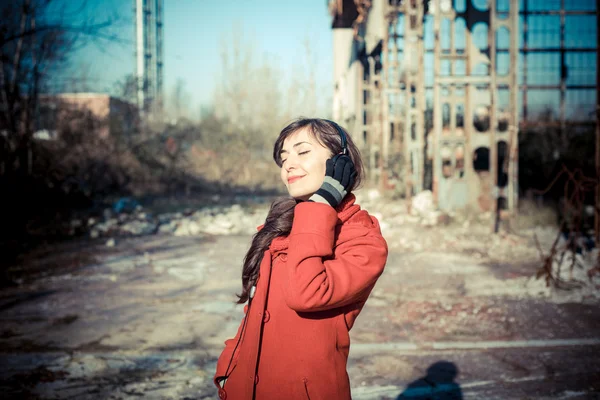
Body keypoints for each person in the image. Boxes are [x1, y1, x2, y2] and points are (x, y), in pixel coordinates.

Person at [213, 118, 388, 399]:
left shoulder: (363, 239)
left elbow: (305, 294)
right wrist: (229, 369)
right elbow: (258, 314)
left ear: (339, 163)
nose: (288, 166)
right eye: (284, 158)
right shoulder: (286, 222)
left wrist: (322, 204)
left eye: (302, 152)